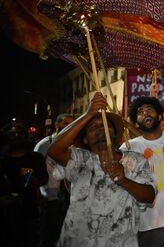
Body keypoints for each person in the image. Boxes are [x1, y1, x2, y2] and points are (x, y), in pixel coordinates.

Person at [47, 92, 156, 246]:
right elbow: (54, 151)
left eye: (104, 125)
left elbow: (149, 196)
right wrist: (88, 114)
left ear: (114, 132)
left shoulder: (134, 160)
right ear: (85, 138)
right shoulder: (78, 159)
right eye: (92, 127)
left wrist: (124, 180)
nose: (100, 128)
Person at [123, 96, 164, 247]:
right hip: (149, 225)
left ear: (159, 116)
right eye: (140, 112)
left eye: (149, 109)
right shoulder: (128, 149)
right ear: (136, 122)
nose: (145, 113)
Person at [1, 121, 48, 247]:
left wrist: (33, 181)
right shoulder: (3, 161)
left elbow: (44, 179)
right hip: (6, 214)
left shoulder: (35, 158)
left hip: (29, 211)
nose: (16, 137)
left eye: (19, 134)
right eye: (12, 135)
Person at [33, 113, 74, 247]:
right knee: (48, 234)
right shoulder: (44, 144)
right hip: (49, 197)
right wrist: (39, 194)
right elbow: (35, 172)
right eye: (65, 123)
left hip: (69, 198)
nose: (69, 126)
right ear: (57, 125)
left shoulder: (74, 145)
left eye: (72, 123)